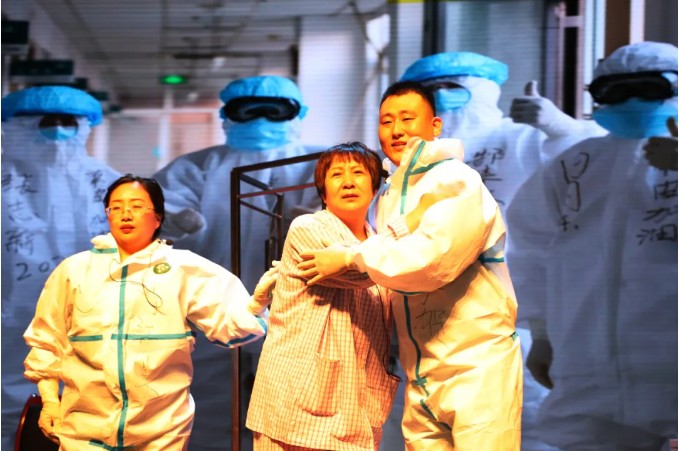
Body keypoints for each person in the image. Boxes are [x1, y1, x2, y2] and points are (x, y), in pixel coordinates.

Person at [299, 81, 523, 450]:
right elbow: (389, 257)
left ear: (435, 126)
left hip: (475, 365)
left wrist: (352, 257)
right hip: (420, 370)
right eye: (387, 121)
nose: (396, 130)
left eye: (407, 118)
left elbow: (430, 261)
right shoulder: (390, 194)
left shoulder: (457, 181)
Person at [399, 51, 605, 451]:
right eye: (427, 91)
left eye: (451, 87)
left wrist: (564, 130)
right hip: (425, 323)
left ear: (482, 90)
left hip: (512, 319)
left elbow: (607, 161)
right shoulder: (409, 159)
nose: (439, 97)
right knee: (426, 430)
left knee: (526, 425)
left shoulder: (523, 138)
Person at [505, 41, 678, 450]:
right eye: (616, 92)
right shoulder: (574, 166)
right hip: (589, 361)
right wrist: (542, 334)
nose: (631, 101)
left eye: (648, 89)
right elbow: (531, 249)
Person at [23, 174, 277, 450]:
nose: (125, 214)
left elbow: (233, 324)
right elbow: (46, 340)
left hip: (162, 428)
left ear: (157, 218)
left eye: (136, 206)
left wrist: (256, 304)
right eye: (116, 207)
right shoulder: (74, 270)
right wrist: (50, 401)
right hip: (84, 428)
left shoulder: (183, 268)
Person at [152, 75, 324, 450]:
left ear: (298, 114)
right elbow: (157, 208)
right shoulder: (197, 167)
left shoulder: (323, 162)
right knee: (206, 402)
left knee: (296, 408)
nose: (260, 119)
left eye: (274, 111)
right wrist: (171, 218)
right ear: (227, 115)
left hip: (299, 310)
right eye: (247, 111)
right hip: (210, 309)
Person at [247, 142, 404, 450]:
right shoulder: (308, 228)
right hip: (297, 404)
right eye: (337, 174)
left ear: (375, 187)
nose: (348, 182)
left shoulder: (376, 243)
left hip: (356, 406)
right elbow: (364, 271)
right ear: (323, 192)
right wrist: (404, 233)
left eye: (358, 172)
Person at [1, 85, 122, 450]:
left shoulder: (105, 180)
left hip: (89, 312)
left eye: (67, 121)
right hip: (9, 314)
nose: (55, 130)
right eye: (43, 121)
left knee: (88, 398)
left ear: (84, 126)